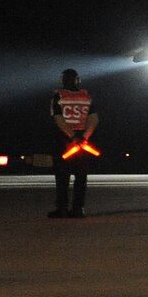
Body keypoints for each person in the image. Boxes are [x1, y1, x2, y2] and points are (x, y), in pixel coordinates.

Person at [49, 68, 99, 219]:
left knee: (62, 176)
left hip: (65, 140)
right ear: (78, 79)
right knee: (81, 176)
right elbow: (94, 118)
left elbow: (58, 118)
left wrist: (71, 136)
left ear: (62, 80)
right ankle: (78, 208)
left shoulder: (58, 95)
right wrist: (84, 137)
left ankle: (62, 209)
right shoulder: (86, 95)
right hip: (83, 142)